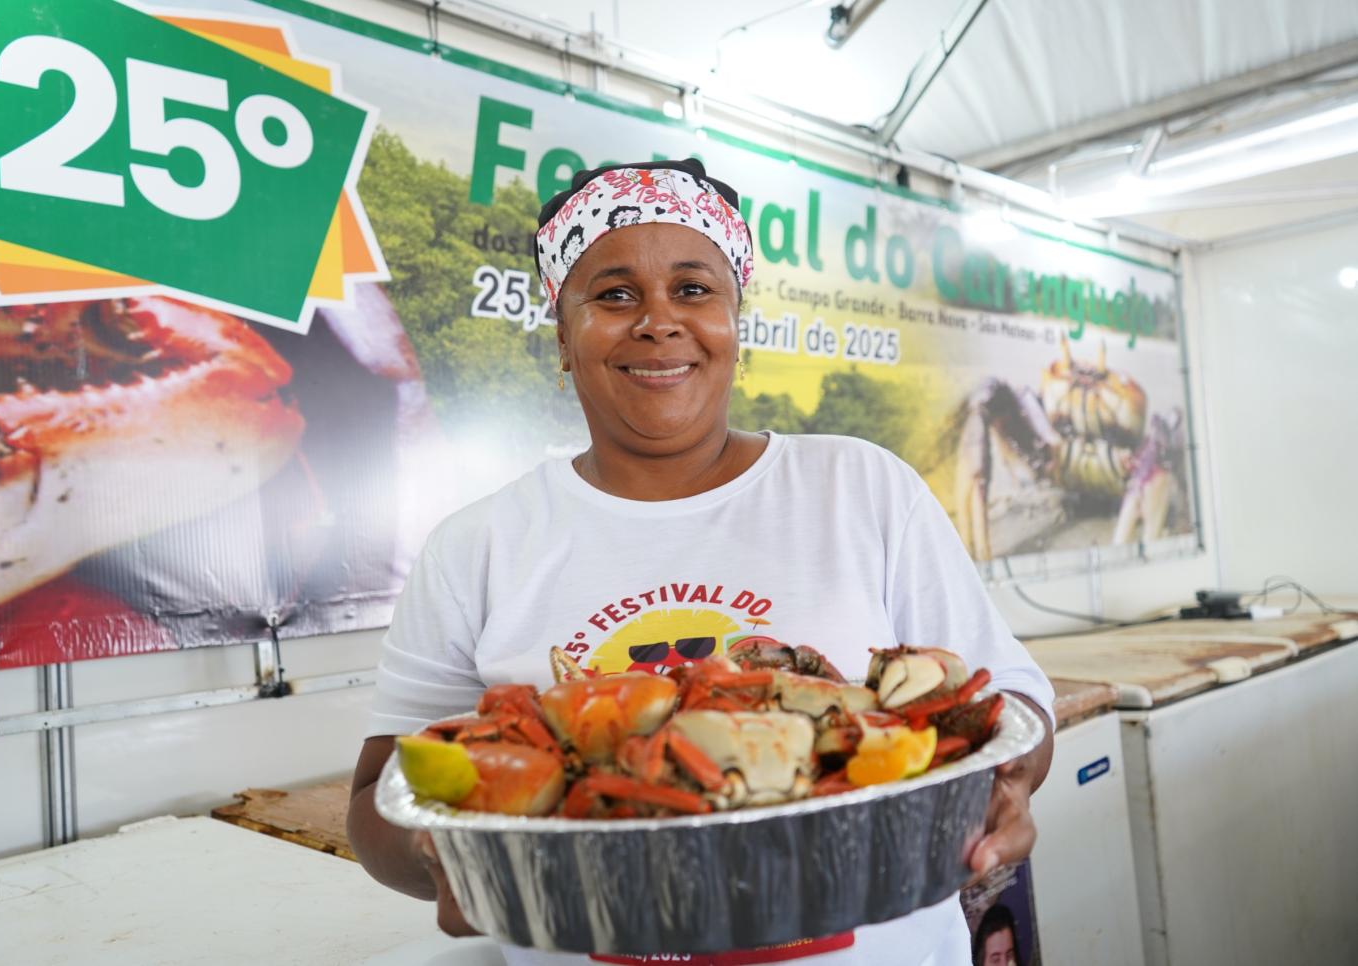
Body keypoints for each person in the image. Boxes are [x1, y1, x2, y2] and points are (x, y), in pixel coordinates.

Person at [346, 158, 1055, 966]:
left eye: (693, 289)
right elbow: (381, 800)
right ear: (563, 338)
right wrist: (450, 856)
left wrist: (1009, 784)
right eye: (613, 295)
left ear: (734, 320)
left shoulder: (859, 487)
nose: (657, 320)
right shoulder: (475, 547)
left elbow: (1009, 705)